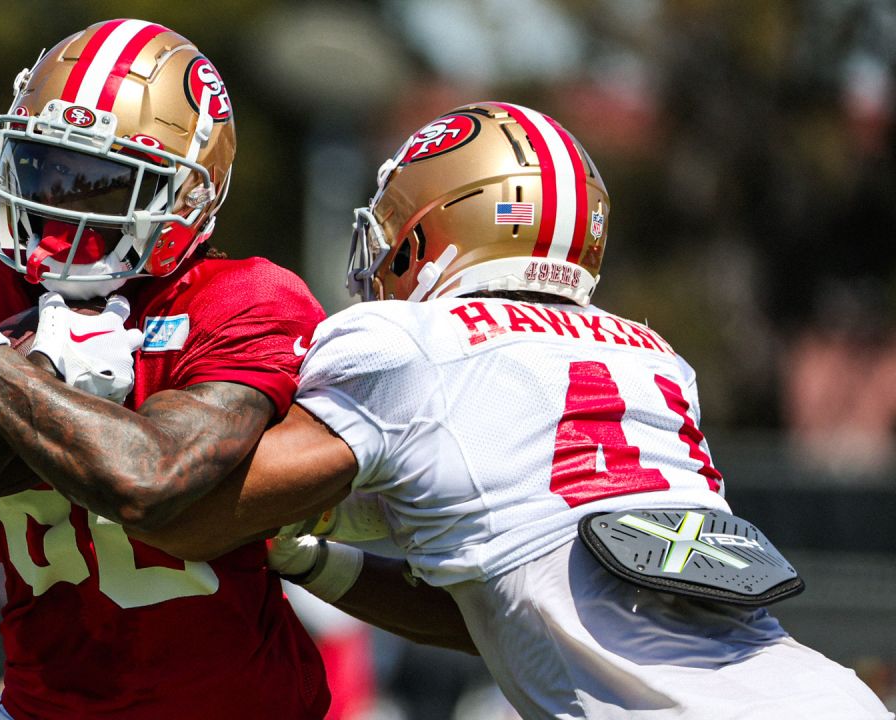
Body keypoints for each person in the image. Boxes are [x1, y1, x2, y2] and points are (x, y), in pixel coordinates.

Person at [97, 101, 893, 719]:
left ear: (422, 237)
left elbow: (181, 515)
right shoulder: (652, 357)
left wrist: (5, 369)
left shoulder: (408, 342)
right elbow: (507, 606)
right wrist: (307, 555)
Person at [0, 19, 332, 719]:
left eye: (102, 185)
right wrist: (32, 362)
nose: (57, 206)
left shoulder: (244, 301)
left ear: (187, 197)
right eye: (44, 166)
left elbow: (145, 480)